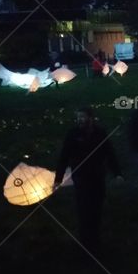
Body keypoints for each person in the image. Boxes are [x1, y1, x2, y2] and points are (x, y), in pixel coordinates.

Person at [54, 107, 122, 252]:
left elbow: (109, 153)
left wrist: (117, 173)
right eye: (78, 117)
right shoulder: (73, 134)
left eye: (83, 117)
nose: (80, 120)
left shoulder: (99, 133)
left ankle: (95, 241)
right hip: (81, 177)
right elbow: (64, 156)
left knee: (96, 209)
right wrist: (58, 179)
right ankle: (86, 244)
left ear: (91, 118)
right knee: (84, 210)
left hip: (97, 176)